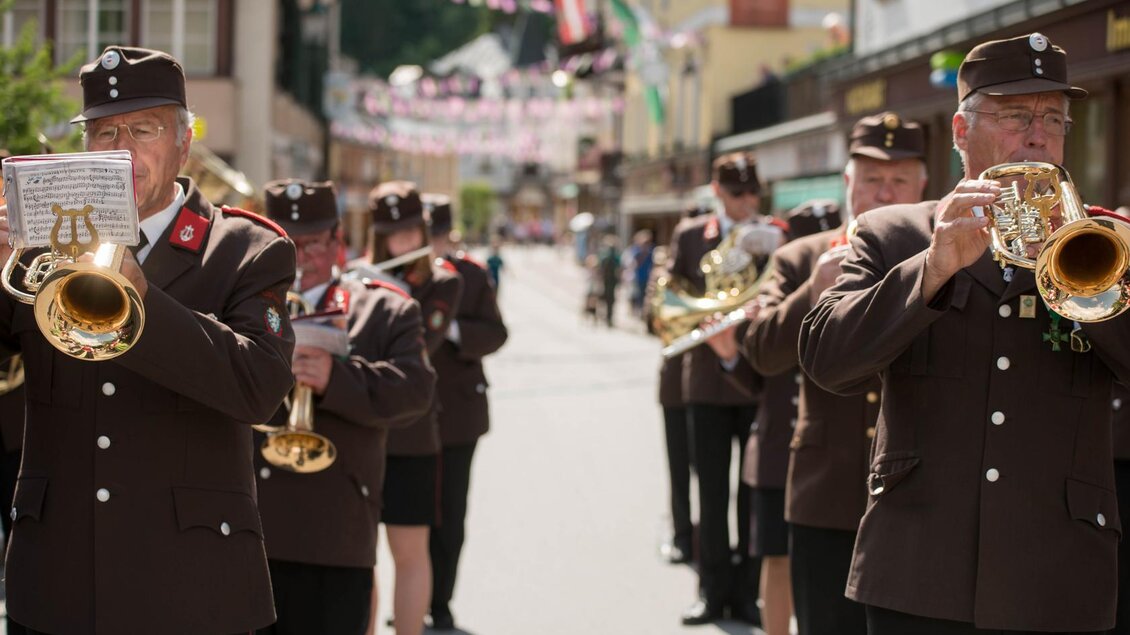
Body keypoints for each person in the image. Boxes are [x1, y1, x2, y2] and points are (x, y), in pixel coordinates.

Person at [800, 33, 1130, 633]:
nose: (1037, 135)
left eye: (1053, 119)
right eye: (1013, 117)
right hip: (918, 571)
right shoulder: (892, 233)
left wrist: (1084, 282)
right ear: (960, 131)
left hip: (1057, 578)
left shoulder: (1106, 241)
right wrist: (932, 268)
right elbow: (828, 361)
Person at [0, 46, 295, 633]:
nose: (121, 149)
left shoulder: (246, 251)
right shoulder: (41, 247)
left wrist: (142, 300)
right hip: (57, 586)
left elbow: (260, 391)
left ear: (183, 144)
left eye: (143, 129)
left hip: (194, 592)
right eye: (104, 131)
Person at [744, 112, 928, 635]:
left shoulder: (948, 257)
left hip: (917, 497)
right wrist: (811, 292)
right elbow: (760, 354)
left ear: (923, 185)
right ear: (847, 182)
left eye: (898, 180)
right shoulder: (800, 256)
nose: (883, 193)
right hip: (828, 490)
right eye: (871, 180)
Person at [254, 180, 436, 635]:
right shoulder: (243, 303)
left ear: (338, 240)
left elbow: (416, 391)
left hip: (335, 532)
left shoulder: (383, 309)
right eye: (286, 242)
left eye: (312, 242)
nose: (301, 256)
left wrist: (339, 378)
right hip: (251, 529)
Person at [670, 151, 767, 626]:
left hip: (753, 376)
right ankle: (711, 589)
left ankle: (748, 592)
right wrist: (708, 313)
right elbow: (670, 297)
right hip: (706, 379)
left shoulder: (774, 234)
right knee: (710, 492)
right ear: (717, 191)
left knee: (752, 492)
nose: (746, 202)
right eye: (736, 193)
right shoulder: (691, 236)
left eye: (753, 192)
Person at [368, 181, 463, 635]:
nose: (401, 244)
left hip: (411, 434)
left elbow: (424, 343)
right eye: (392, 234)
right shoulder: (359, 278)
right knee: (359, 556)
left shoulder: (443, 281)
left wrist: (387, 289)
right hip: (360, 429)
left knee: (410, 553)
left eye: (409, 233)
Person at [424, 193, 508, 631]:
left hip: (458, 411)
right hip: (410, 412)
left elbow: (496, 332)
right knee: (413, 513)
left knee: (451, 511)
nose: (433, 245)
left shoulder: (472, 275)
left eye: (437, 236)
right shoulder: (400, 273)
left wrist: (453, 329)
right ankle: (416, 591)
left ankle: (441, 601)